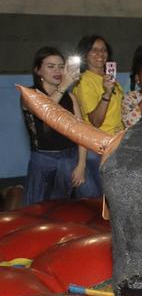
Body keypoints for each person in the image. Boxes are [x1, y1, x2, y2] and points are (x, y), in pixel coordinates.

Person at [21, 47, 91, 205]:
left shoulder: (70, 97)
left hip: (69, 157)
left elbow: (81, 133)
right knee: (37, 208)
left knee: (63, 208)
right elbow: (46, 112)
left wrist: (81, 164)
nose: (57, 71)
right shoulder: (29, 95)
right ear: (38, 70)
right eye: (50, 66)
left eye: (61, 66)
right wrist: (63, 86)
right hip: (44, 159)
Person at [72, 34, 123, 196]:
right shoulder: (85, 82)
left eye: (103, 50)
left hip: (116, 143)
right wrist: (106, 94)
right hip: (98, 147)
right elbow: (95, 121)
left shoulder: (112, 80)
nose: (100, 54)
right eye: (94, 50)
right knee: (104, 197)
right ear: (85, 55)